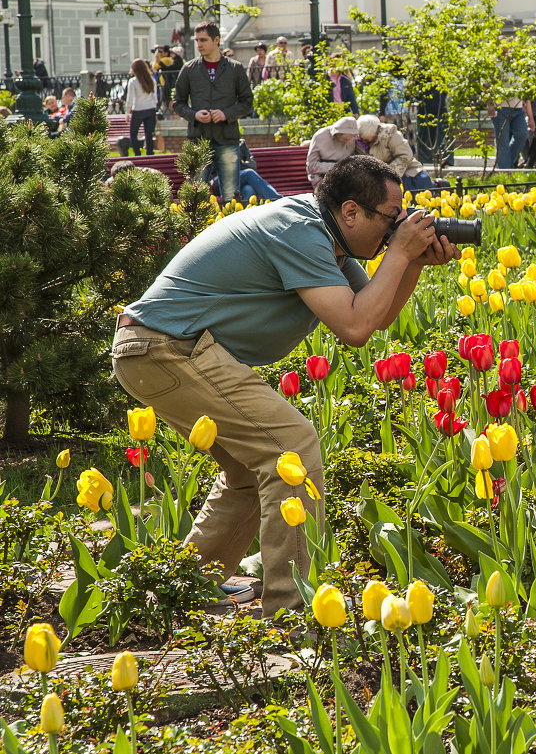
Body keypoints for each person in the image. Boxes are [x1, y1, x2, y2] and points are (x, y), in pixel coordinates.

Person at [112, 156, 460, 619]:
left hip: (168, 349)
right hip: (163, 349)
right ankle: (290, 611)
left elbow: (374, 315)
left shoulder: (326, 234)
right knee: (290, 449)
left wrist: (411, 262)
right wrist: (398, 253)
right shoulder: (299, 231)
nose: (396, 228)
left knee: (247, 473)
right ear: (351, 211)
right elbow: (354, 327)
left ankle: (180, 590)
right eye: (391, 219)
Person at [173, 22, 254, 204]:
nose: (199, 44)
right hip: (197, 141)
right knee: (195, 198)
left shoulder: (235, 69)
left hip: (227, 140)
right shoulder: (189, 69)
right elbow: (177, 103)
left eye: (203, 40)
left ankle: (232, 232)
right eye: (197, 40)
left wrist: (226, 114)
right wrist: (194, 114)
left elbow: (247, 102)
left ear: (216, 40)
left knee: (231, 196)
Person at [357, 113, 436, 193]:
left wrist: (387, 174)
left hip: (405, 174)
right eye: (362, 139)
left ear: (375, 133)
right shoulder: (358, 139)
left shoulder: (391, 134)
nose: (364, 142)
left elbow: (405, 155)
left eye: (367, 140)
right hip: (377, 180)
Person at [306, 116, 360, 189]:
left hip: (343, 175)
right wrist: (335, 167)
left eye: (350, 138)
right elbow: (311, 166)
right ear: (338, 133)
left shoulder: (351, 139)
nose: (347, 141)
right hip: (321, 176)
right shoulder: (320, 136)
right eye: (345, 139)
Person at [488, 91, 533, 170]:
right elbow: (487, 85)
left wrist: (531, 118)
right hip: (500, 107)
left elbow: (526, 93)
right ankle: (505, 171)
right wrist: (489, 104)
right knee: (503, 141)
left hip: (518, 108)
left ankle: (506, 165)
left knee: (522, 135)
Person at [126, 58, 159, 155]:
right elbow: (155, 99)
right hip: (150, 109)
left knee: (133, 133)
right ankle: (150, 154)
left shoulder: (133, 82)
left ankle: (137, 154)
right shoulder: (151, 80)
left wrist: (127, 113)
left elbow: (130, 99)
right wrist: (154, 110)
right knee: (149, 135)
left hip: (138, 110)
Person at [153, 45, 183, 118]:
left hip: (172, 83)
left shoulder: (177, 62)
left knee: (170, 100)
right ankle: (169, 115)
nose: (171, 55)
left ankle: (172, 116)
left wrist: (159, 60)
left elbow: (166, 68)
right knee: (168, 99)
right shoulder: (175, 61)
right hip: (170, 83)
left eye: (173, 53)